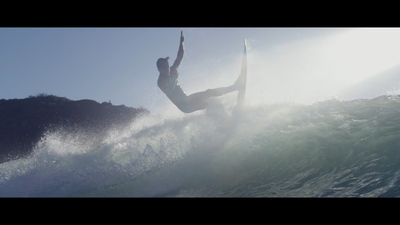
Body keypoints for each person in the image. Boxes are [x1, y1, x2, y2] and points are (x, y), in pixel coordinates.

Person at [157, 31, 243, 113]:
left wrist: (181, 42)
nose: (168, 68)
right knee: (209, 93)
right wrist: (174, 78)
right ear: (160, 69)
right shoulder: (161, 81)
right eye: (166, 66)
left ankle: (227, 113)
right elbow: (169, 91)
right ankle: (235, 87)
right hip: (185, 105)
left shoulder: (171, 70)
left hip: (187, 99)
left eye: (168, 65)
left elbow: (179, 57)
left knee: (211, 101)